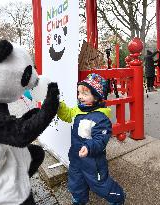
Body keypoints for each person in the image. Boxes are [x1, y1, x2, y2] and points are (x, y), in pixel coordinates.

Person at [57, 73, 125, 205]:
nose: (80, 96)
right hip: (76, 158)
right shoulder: (78, 110)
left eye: (85, 93)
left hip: (93, 162)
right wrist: (59, 106)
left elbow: (101, 139)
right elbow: (67, 115)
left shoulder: (101, 118)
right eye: (79, 93)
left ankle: (117, 197)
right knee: (76, 182)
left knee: (100, 184)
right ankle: (79, 200)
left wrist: (88, 147)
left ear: (96, 97)